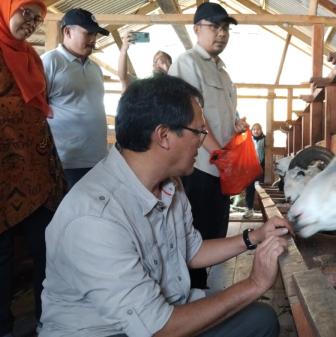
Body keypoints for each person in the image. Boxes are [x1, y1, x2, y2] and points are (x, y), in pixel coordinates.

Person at [39, 75, 292, 337]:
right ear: (164, 136)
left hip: (164, 311)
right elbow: (160, 329)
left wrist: (256, 236)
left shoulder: (170, 184)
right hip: (108, 332)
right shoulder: (95, 217)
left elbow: (191, 251)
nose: (202, 140)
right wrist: (254, 283)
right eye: (198, 131)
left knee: (260, 319)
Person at [169, 2, 248, 289]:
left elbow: (221, 114)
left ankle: (201, 292)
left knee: (214, 232)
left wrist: (236, 126)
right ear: (197, 29)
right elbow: (194, 115)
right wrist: (218, 151)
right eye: (214, 27)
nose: (221, 34)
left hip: (220, 168)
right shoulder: (186, 63)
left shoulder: (223, 72)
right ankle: (189, 297)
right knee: (195, 237)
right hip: (200, 167)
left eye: (225, 28)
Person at [0, 1, 66, 336]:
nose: (31, 22)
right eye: (25, 12)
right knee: (1, 258)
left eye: (37, 18)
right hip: (1, 177)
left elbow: (39, 111)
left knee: (47, 250)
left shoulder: (31, 57)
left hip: (36, 175)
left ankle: (48, 320)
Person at [42, 8, 109, 189]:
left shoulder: (95, 68)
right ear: (67, 31)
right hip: (67, 162)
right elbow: (36, 110)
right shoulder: (50, 62)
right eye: (88, 34)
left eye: (95, 34)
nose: (93, 40)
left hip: (99, 160)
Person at [243, 123, 265, 219]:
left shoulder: (265, 139)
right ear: (251, 131)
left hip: (262, 167)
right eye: (254, 129)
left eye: (258, 129)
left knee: (262, 188)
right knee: (249, 188)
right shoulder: (248, 139)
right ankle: (249, 209)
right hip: (250, 167)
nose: (256, 131)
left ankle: (264, 210)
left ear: (261, 130)